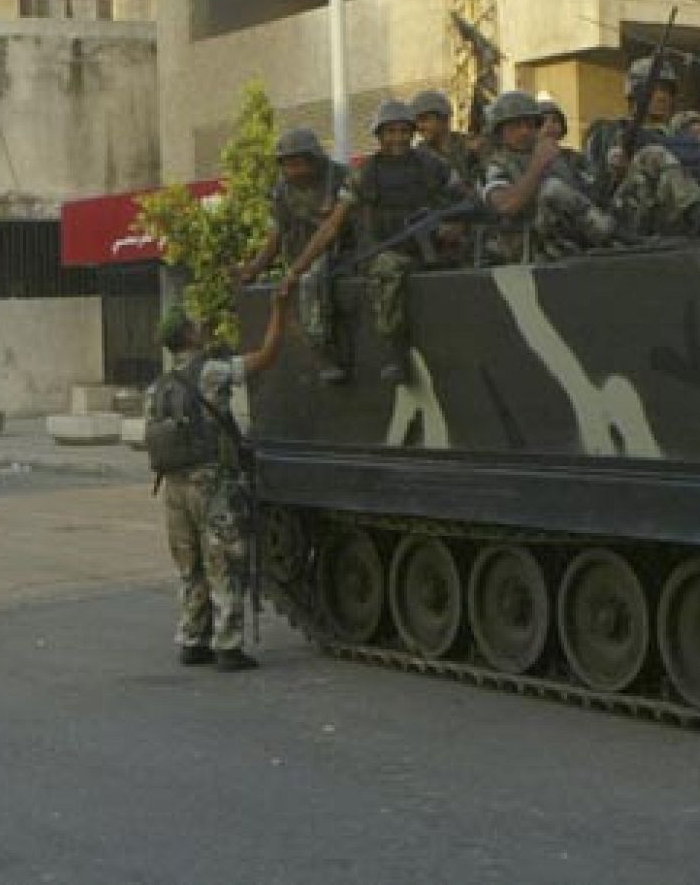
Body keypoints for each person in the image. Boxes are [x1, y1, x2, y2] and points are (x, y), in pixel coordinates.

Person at [283, 100, 474, 384]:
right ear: (379, 135)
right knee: (383, 268)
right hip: (383, 251)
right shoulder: (364, 174)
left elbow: (468, 201)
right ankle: (396, 350)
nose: (398, 139)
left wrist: (454, 226)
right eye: (390, 132)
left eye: (404, 131)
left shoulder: (434, 166)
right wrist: (297, 268)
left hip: (434, 250)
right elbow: (332, 226)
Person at [151, 291, 289, 672]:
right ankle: (227, 644)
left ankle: (192, 638)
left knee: (189, 564)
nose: (201, 327)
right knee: (224, 560)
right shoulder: (210, 372)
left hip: (173, 486)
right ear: (187, 335)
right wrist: (279, 312)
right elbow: (265, 357)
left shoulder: (160, 385)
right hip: (210, 484)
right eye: (195, 325)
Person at [238, 127, 353, 383]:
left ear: (315, 159)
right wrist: (254, 268)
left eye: (299, 163)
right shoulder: (283, 191)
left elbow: (330, 229)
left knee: (311, 281)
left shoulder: (341, 179)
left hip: (344, 255)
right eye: (288, 165)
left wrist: (296, 270)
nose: (294, 171)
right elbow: (277, 233)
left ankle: (323, 351)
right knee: (286, 296)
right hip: (301, 259)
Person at [583, 57, 700, 237]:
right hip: (622, 214)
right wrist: (616, 164)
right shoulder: (610, 130)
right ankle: (697, 210)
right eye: (654, 90)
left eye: (667, 91)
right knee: (654, 154)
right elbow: (596, 179)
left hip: (667, 214)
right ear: (635, 94)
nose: (662, 97)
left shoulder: (679, 136)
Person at [482, 90, 616, 263]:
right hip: (523, 248)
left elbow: (590, 194)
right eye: (515, 127)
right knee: (552, 188)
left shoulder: (559, 158)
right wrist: (538, 166)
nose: (524, 132)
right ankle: (608, 236)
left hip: (572, 239)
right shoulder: (496, 164)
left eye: (530, 125)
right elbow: (506, 205)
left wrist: (614, 171)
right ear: (499, 132)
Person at [411, 89, 481, 182]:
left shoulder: (471, 146)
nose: (419, 126)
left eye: (424, 120)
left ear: (444, 119)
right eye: (416, 121)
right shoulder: (418, 156)